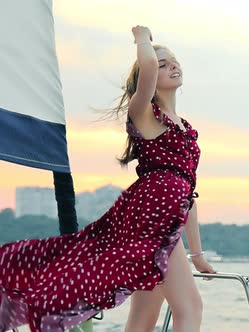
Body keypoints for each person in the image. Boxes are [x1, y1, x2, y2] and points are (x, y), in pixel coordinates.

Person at [0, 25, 216, 332]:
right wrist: (142, 38)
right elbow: (149, 66)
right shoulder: (144, 113)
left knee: (144, 319)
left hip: (165, 218)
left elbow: (188, 196)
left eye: (175, 60)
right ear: (148, 78)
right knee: (190, 307)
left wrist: (197, 254)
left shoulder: (186, 130)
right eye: (163, 63)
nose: (172, 65)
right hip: (148, 219)